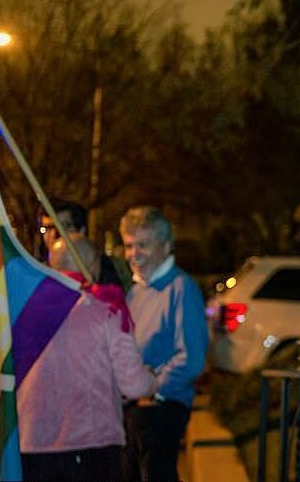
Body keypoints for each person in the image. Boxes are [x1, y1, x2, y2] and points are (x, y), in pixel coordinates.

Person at [18, 237, 154, 482]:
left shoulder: (22, 310)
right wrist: (152, 380)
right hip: (91, 444)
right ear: (92, 265)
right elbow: (134, 385)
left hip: (30, 447)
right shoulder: (105, 309)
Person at [119, 206, 208, 482]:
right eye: (129, 246)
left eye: (143, 245)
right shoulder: (136, 291)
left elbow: (191, 358)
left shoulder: (181, 288)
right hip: (133, 409)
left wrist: (153, 388)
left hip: (160, 410)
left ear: (166, 246)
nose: (134, 254)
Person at [40, 199, 126, 289]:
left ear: (81, 230)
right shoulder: (40, 271)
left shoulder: (106, 269)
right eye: (47, 228)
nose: (54, 234)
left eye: (63, 226)